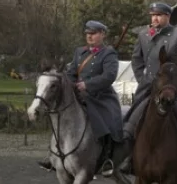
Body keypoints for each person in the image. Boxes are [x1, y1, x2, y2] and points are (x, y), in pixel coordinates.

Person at [119, 2, 177, 179]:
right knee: (130, 122)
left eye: (159, 15)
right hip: (149, 87)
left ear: (168, 17)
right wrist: (142, 79)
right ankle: (129, 159)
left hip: (175, 87)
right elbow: (137, 60)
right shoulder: (144, 35)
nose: (155, 18)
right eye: (153, 15)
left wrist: (174, 81)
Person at [40, 20, 123, 175]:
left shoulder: (109, 53)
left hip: (101, 96)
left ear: (102, 34)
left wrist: (87, 84)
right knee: (60, 117)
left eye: (93, 33)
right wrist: (67, 83)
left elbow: (109, 76)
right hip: (78, 94)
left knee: (106, 121)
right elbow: (71, 73)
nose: (89, 37)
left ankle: (107, 159)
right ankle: (54, 156)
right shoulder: (80, 52)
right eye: (88, 34)